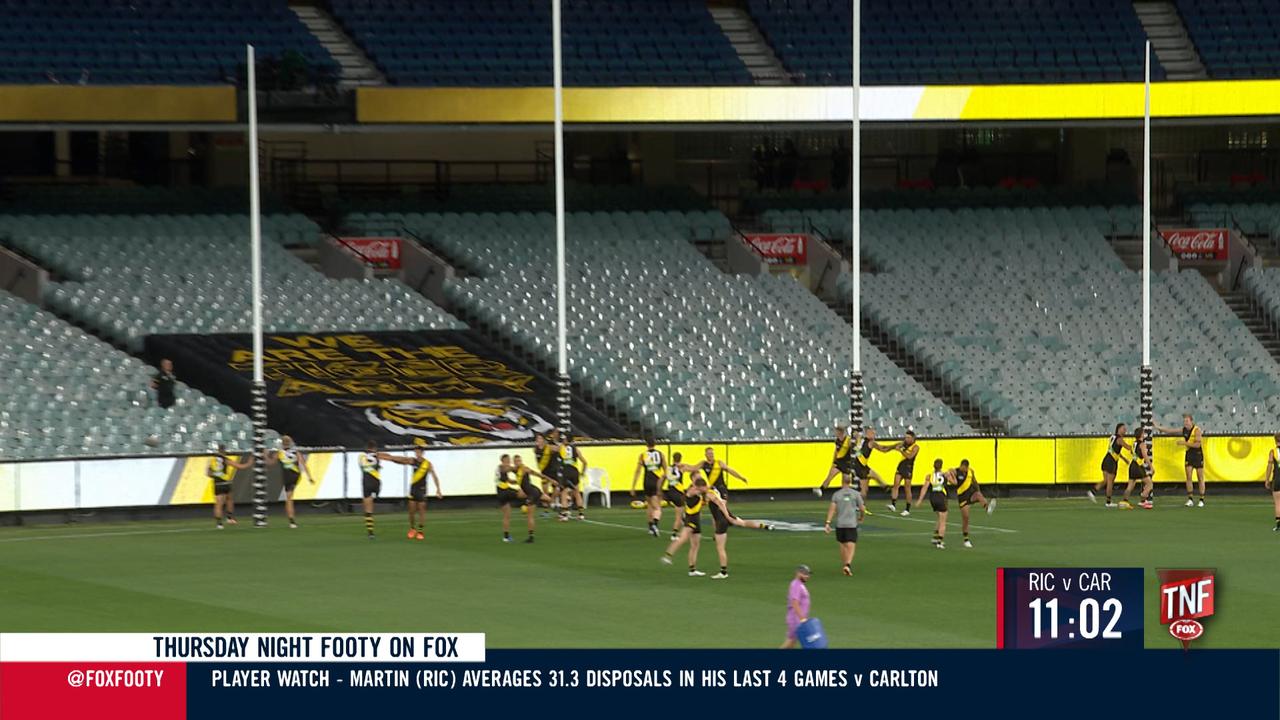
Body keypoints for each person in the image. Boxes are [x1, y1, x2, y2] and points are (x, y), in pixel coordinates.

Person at [700, 446, 772, 579]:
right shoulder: (709, 488)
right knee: (742, 522)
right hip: (727, 517)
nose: (710, 455)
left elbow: (720, 503)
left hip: (723, 520)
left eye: (712, 453)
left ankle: (723, 572)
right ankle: (763, 526)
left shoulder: (710, 493)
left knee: (720, 547)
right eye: (708, 453)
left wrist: (726, 515)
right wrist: (729, 517)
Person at [660, 477, 725, 577]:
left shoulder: (700, 493)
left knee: (695, 545)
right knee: (682, 538)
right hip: (690, 519)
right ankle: (668, 556)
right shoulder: (692, 491)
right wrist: (700, 488)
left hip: (696, 520)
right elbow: (694, 492)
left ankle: (692, 569)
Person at [381, 447, 443, 541]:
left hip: (422, 489)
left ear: (422, 453)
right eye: (416, 452)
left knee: (421, 510)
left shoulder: (428, 464)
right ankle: (412, 528)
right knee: (411, 511)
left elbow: (434, 476)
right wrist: (391, 458)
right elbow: (402, 460)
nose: (417, 454)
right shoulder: (413, 461)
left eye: (418, 452)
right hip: (413, 489)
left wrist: (438, 489)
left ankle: (420, 531)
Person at [1154, 414, 1206, 507]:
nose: (1185, 423)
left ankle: (1201, 499)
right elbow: (1171, 431)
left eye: (1187, 421)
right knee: (1188, 476)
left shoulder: (1197, 430)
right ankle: (1190, 498)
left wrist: (1184, 443)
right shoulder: (1184, 430)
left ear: (1191, 421)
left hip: (1197, 455)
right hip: (1189, 454)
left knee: (1200, 477)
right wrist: (1158, 427)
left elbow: (1197, 445)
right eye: (1184, 421)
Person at [264, 435, 312, 529]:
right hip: (296, 475)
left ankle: (291, 520)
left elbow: (270, 462)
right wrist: (309, 477)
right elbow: (303, 464)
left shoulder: (279, 453)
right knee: (290, 497)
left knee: (289, 499)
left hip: (288, 476)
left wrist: (265, 455)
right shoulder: (296, 452)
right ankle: (292, 521)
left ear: (282, 443)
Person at [824, 473, 864, 576]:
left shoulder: (837, 494)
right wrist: (861, 517)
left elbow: (832, 509)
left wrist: (828, 523)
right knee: (851, 545)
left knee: (842, 544)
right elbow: (862, 508)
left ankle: (844, 565)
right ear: (850, 481)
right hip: (851, 524)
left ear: (842, 482)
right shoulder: (856, 494)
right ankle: (848, 564)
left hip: (840, 524)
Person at [951, 459, 995, 547]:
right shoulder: (956, 471)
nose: (963, 469)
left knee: (978, 495)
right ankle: (966, 539)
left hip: (971, 494)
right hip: (962, 498)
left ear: (967, 467)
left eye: (964, 468)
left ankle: (987, 508)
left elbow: (974, 481)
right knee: (966, 519)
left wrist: (978, 490)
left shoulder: (971, 472)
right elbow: (949, 473)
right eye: (962, 467)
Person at [630, 436, 666, 537]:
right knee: (657, 507)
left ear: (646, 445)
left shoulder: (643, 455)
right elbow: (666, 471)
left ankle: (650, 527)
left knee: (649, 504)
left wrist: (633, 486)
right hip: (656, 481)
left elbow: (638, 471)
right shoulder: (661, 455)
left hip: (646, 481)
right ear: (655, 444)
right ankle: (655, 524)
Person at [208, 444, 250, 529]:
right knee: (229, 499)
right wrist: (250, 462)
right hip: (226, 483)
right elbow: (240, 466)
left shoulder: (212, 460)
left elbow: (208, 473)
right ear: (224, 451)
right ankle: (229, 518)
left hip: (217, 484)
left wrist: (216, 475)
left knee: (218, 503)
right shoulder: (225, 459)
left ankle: (219, 524)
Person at [915, 458, 954, 549]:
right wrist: (951, 473)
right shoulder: (945, 474)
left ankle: (935, 537)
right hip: (941, 496)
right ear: (941, 465)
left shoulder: (930, 475)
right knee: (943, 520)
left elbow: (924, 488)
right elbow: (954, 482)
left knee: (939, 517)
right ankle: (939, 542)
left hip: (932, 497)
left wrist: (920, 500)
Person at [1089, 423, 1130, 508]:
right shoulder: (1119, 439)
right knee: (1110, 482)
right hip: (1111, 462)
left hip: (1107, 459)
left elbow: (1115, 451)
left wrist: (1124, 458)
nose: (1125, 430)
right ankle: (1108, 502)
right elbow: (1128, 447)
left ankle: (1092, 491)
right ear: (1118, 429)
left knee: (1105, 480)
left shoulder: (1112, 437)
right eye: (1123, 429)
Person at [513, 454, 552, 543]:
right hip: (534, 491)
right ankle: (558, 507)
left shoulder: (524, 468)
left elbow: (536, 474)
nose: (517, 462)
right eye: (516, 461)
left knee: (529, 516)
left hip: (532, 493)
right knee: (549, 500)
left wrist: (548, 478)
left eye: (519, 460)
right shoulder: (516, 470)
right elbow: (520, 481)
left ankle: (531, 537)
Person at [663, 452, 702, 539]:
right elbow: (694, 468)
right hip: (678, 493)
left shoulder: (668, 468)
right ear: (681, 458)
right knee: (679, 515)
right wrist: (702, 463)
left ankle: (685, 522)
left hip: (669, 491)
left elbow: (663, 477)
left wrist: (659, 490)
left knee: (683, 510)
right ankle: (674, 534)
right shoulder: (682, 467)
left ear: (673, 458)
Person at [1121, 425, 1154, 510]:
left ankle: (1124, 501)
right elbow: (1145, 456)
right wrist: (1151, 467)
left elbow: (1132, 453)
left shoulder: (1134, 443)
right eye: (1143, 433)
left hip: (1132, 465)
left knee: (1130, 485)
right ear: (1141, 434)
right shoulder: (1142, 444)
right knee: (1149, 483)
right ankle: (1143, 501)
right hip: (1138, 466)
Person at [886, 430, 920, 516]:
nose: (906, 439)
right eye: (906, 437)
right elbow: (895, 446)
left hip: (908, 467)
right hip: (901, 466)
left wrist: (900, 450)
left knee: (907, 488)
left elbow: (910, 456)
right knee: (896, 484)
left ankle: (907, 509)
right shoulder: (904, 443)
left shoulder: (916, 447)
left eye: (908, 437)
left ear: (913, 438)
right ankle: (893, 504)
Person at [780, 565, 812, 649]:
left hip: (798, 619)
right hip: (795, 619)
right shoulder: (796, 585)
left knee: (792, 642)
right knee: (791, 641)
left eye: (808, 574)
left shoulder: (800, 584)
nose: (807, 576)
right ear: (798, 573)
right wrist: (802, 619)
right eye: (805, 574)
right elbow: (795, 603)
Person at [558, 432, 588, 521]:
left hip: (566, 472)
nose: (563, 440)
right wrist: (582, 473)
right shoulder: (576, 449)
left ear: (566, 439)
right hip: (574, 472)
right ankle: (581, 514)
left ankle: (565, 515)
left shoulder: (561, 448)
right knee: (577, 493)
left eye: (564, 438)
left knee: (564, 493)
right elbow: (585, 462)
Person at [533, 432, 563, 516]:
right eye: (537, 439)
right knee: (545, 491)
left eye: (540, 439)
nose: (539, 440)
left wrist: (557, 445)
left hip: (552, 471)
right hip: (544, 472)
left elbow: (558, 449)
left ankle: (553, 502)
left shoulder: (548, 447)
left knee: (557, 487)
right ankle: (546, 510)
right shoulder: (535, 449)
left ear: (544, 440)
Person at [358, 441, 382, 538]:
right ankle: (377, 494)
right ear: (374, 448)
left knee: (368, 509)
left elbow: (362, 465)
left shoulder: (361, 456)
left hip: (366, 483)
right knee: (371, 504)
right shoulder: (377, 456)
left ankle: (370, 532)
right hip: (376, 483)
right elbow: (377, 464)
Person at [495, 454, 520, 542]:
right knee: (523, 493)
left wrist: (518, 481)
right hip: (504, 491)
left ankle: (506, 536)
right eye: (508, 460)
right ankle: (528, 502)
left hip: (500, 492)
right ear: (503, 460)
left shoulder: (502, 470)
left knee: (507, 515)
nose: (509, 461)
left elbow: (509, 481)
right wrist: (517, 467)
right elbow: (508, 469)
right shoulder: (501, 467)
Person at [1266, 433, 1280, 532]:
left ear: (1275, 440)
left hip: (1277, 479)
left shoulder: (1273, 452)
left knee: (1278, 503)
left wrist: (1267, 479)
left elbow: (1270, 466)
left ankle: (1278, 525)